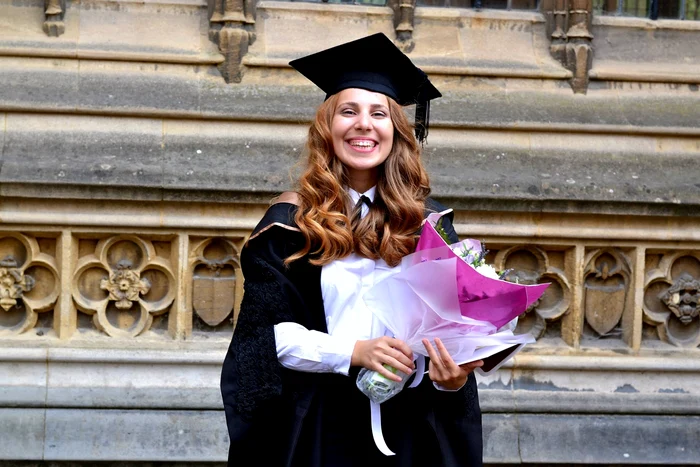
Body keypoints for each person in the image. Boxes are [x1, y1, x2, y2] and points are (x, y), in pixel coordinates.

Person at [220, 33, 484, 467]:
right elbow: (265, 338)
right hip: (316, 427)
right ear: (328, 126)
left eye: (378, 112)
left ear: (396, 131)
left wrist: (453, 379)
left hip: (411, 431)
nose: (364, 124)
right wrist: (354, 352)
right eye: (349, 111)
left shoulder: (429, 225)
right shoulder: (291, 223)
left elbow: (455, 332)